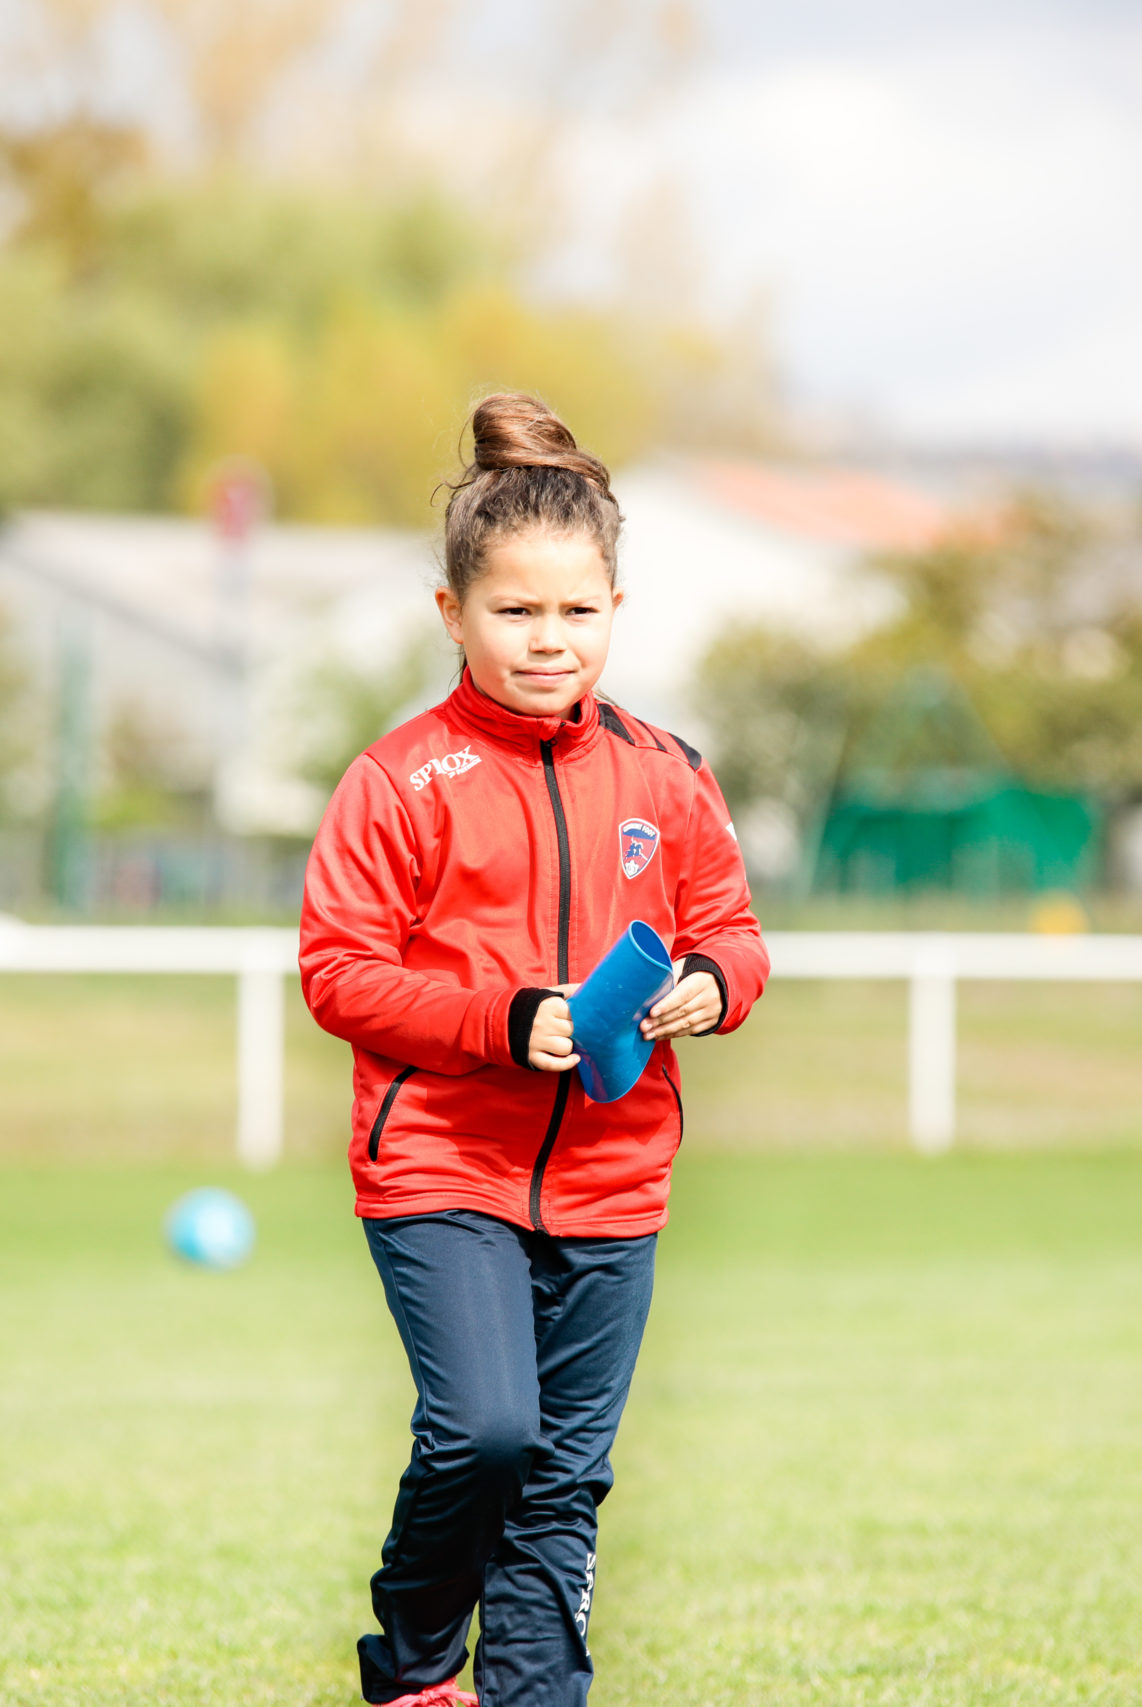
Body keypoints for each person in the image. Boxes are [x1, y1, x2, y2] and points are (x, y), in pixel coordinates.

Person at [299, 393, 770, 1706]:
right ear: (452, 614)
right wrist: (508, 1019)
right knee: (489, 1434)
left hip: (616, 1180)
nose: (547, 640)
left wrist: (710, 985)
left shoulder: (669, 774)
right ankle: (408, 1663)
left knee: (566, 1475)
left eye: (576, 612)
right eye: (516, 612)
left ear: (618, 608)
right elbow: (340, 975)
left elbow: (733, 928)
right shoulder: (396, 782)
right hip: (441, 1166)